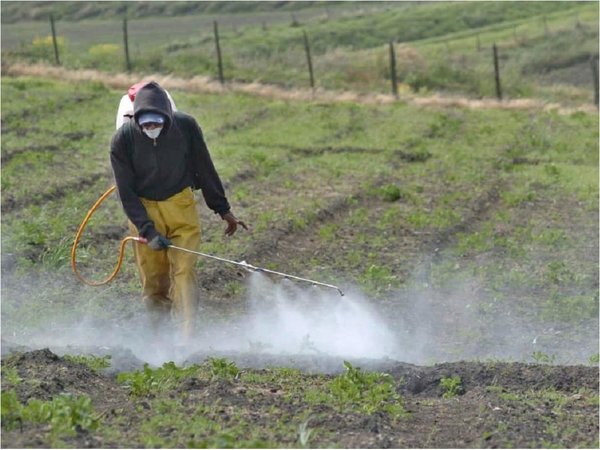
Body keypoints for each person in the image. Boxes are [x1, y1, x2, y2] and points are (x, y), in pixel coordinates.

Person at [110, 81, 247, 340]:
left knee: (184, 272)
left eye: (157, 124)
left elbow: (204, 167)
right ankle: (159, 338)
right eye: (146, 125)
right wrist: (148, 231)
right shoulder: (122, 140)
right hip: (144, 209)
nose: (152, 129)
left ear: (167, 118)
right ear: (137, 120)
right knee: (154, 278)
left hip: (180, 205)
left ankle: (187, 339)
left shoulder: (186, 127)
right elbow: (125, 193)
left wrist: (223, 209)